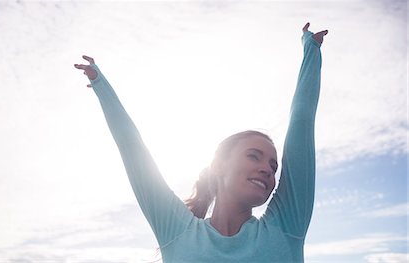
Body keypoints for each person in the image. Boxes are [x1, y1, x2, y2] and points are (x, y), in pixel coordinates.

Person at [74, 22, 328, 262]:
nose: (267, 169)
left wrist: (311, 51)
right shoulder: (176, 230)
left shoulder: (285, 227)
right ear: (219, 165)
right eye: (253, 156)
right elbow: (134, 153)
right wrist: (101, 85)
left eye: (273, 166)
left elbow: (302, 121)